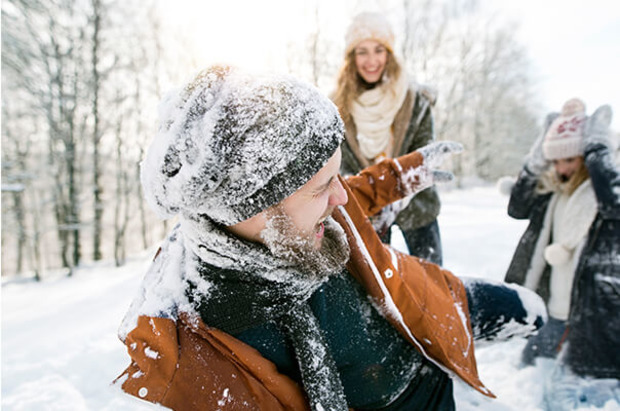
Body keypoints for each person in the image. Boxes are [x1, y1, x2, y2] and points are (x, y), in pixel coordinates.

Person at [115, 65, 545, 410]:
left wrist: (405, 173)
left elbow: (357, 190)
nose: (339, 196)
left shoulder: (312, 216)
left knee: (531, 313)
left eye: (335, 175)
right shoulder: (199, 346)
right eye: (321, 187)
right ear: (251, 207)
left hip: (426, 340)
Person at [503, 98, 619, 409]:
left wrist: (597, 147)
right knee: (530, 372)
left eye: (570, 159)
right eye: (555, 160)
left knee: (581, 394)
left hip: (593, 315)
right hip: (553, 308)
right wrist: (539, 154)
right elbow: (517, 207)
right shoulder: (553, 190)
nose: (562, 168)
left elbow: (613, 200)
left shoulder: (605, 195)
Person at [332, 12, 443, 264]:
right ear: (351, 57)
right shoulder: (338, 107)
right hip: (367, 212)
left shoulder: (415, 100)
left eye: (379, 50)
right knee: (376, 288)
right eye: (362, 51)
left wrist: (400, 190)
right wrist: (370, 194)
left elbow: (424, 152)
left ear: (389, 54)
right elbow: (340, 163)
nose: (371, 60)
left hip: (418, 207)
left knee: (433, 282)